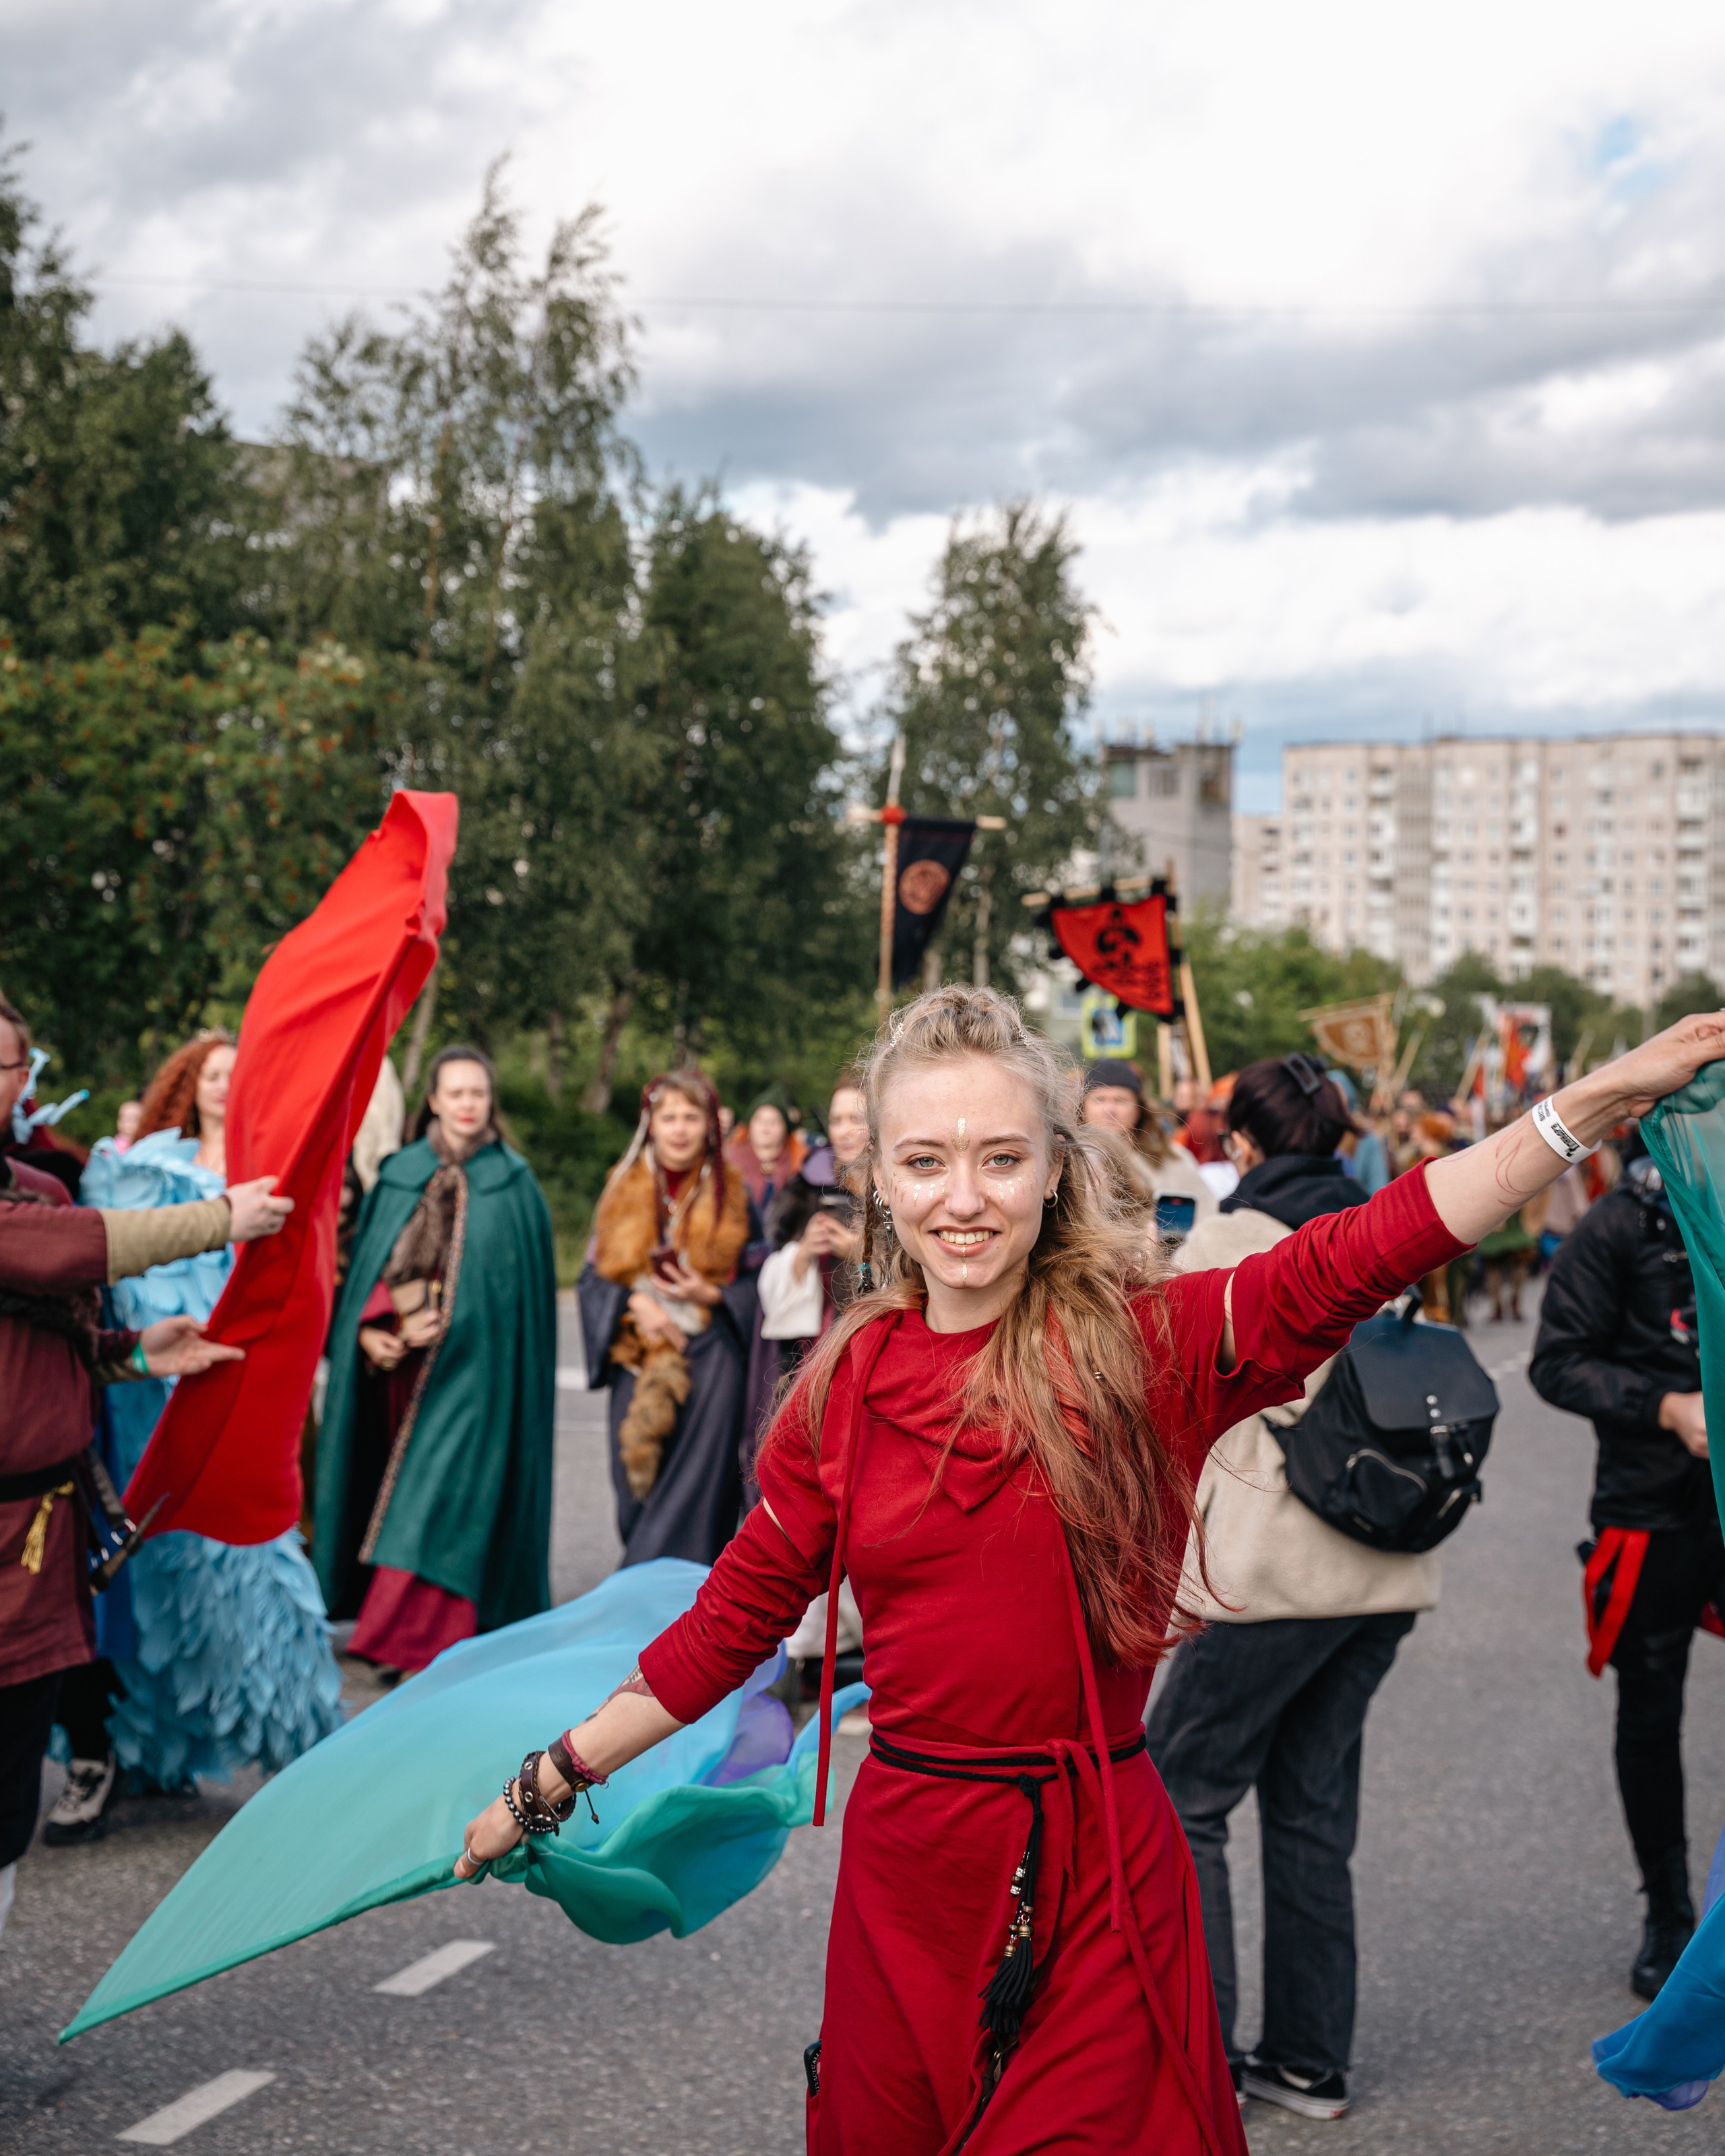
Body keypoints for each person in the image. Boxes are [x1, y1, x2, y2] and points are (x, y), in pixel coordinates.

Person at [449, 986, 1723, 2155]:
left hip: (1100, 1881)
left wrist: (1594, 1101)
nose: (966, 1197)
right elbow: (731, 1621)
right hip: (910, 1888)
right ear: (879, 1185)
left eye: (1002, 1158)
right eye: (927, 1160)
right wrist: (557, 1775)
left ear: (1056, 1170)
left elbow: (1374, 1243)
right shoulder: (842, 1388)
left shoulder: (1151, 1348)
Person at [1145, 1052, 1443, 2119]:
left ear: (1242, 1146)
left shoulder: (1228, 1241)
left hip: (1275, 1572)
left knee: (1184, 1791)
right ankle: (1310, 2062)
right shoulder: (1384, 1238)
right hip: (1389, 1566)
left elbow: (1163, 1378)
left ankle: (1203, 2058)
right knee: (1312, 1806)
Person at [1, 992, 294, 1936]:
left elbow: (46, 1322)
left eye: (7, 1061)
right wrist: (220, 1218)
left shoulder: (35, 1183)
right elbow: (59, 1252)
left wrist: (134, 1352)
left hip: (40, 1538)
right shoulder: (41, 1209)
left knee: (7, 1806)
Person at [50, 1034, 344, 1835]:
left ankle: (308, 1749)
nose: (224, 1085)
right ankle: (152, 1749)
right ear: (187, 1083)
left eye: (237, 1075)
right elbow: (105, 1252)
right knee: (158, 1574)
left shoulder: (276, 1165)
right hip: (153, 1396)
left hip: (241, 1385)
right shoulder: (141, 1168)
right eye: (211, 1073)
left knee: (261, 1564)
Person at [1528, 1144, 1722, 1999]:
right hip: (1651, 1506)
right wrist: (1666, 1404)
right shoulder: (1618, 1223)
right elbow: (1555, 1360)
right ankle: (1670, 1911)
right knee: (1650, 1711)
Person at [314, 1046, 556, 1677]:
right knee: (406, 1491)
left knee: (438, 1495)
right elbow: (371, 1272)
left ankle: (408, 1642)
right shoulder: (401, 1174)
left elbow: (514, 1295)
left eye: (478, 1094)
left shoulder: (514, 1184)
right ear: (435, 1100)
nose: (468, 1105)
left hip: (479, 1375)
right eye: (456, 1094)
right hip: (403, 1374)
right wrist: (372, 1332)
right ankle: (423, 1638)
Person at [579, 1071, 757, 1566]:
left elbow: (758, 1281)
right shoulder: (622, 1183)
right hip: (637, 1353)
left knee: (699, 1494)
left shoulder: (733, 1191)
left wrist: (712, 1293)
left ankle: (687, 1615)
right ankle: (640, 1592)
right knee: (634, 1484)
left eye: (691, 1118)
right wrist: (637, 1305)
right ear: (651, 1123)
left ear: (709, 1125)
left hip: (712, 1359)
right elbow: (593, 1277)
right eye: (669, 1117)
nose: (679, 1129)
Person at [1079, 1058, 1216, 1239]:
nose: (1109, 1110)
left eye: (1120, 1100)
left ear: (1139, 1108)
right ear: (1082, 1106)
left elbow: (1209, 1219)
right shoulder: (1066, 1161)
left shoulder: (1174, 1159)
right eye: (1100, 1100)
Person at [726, 1084, 807, 1213]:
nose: (766, 1127)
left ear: (785, 1128)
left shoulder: (800, 1162)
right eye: (760, 1121)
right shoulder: (729, 1158)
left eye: (774, 1122)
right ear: (750, 1125)